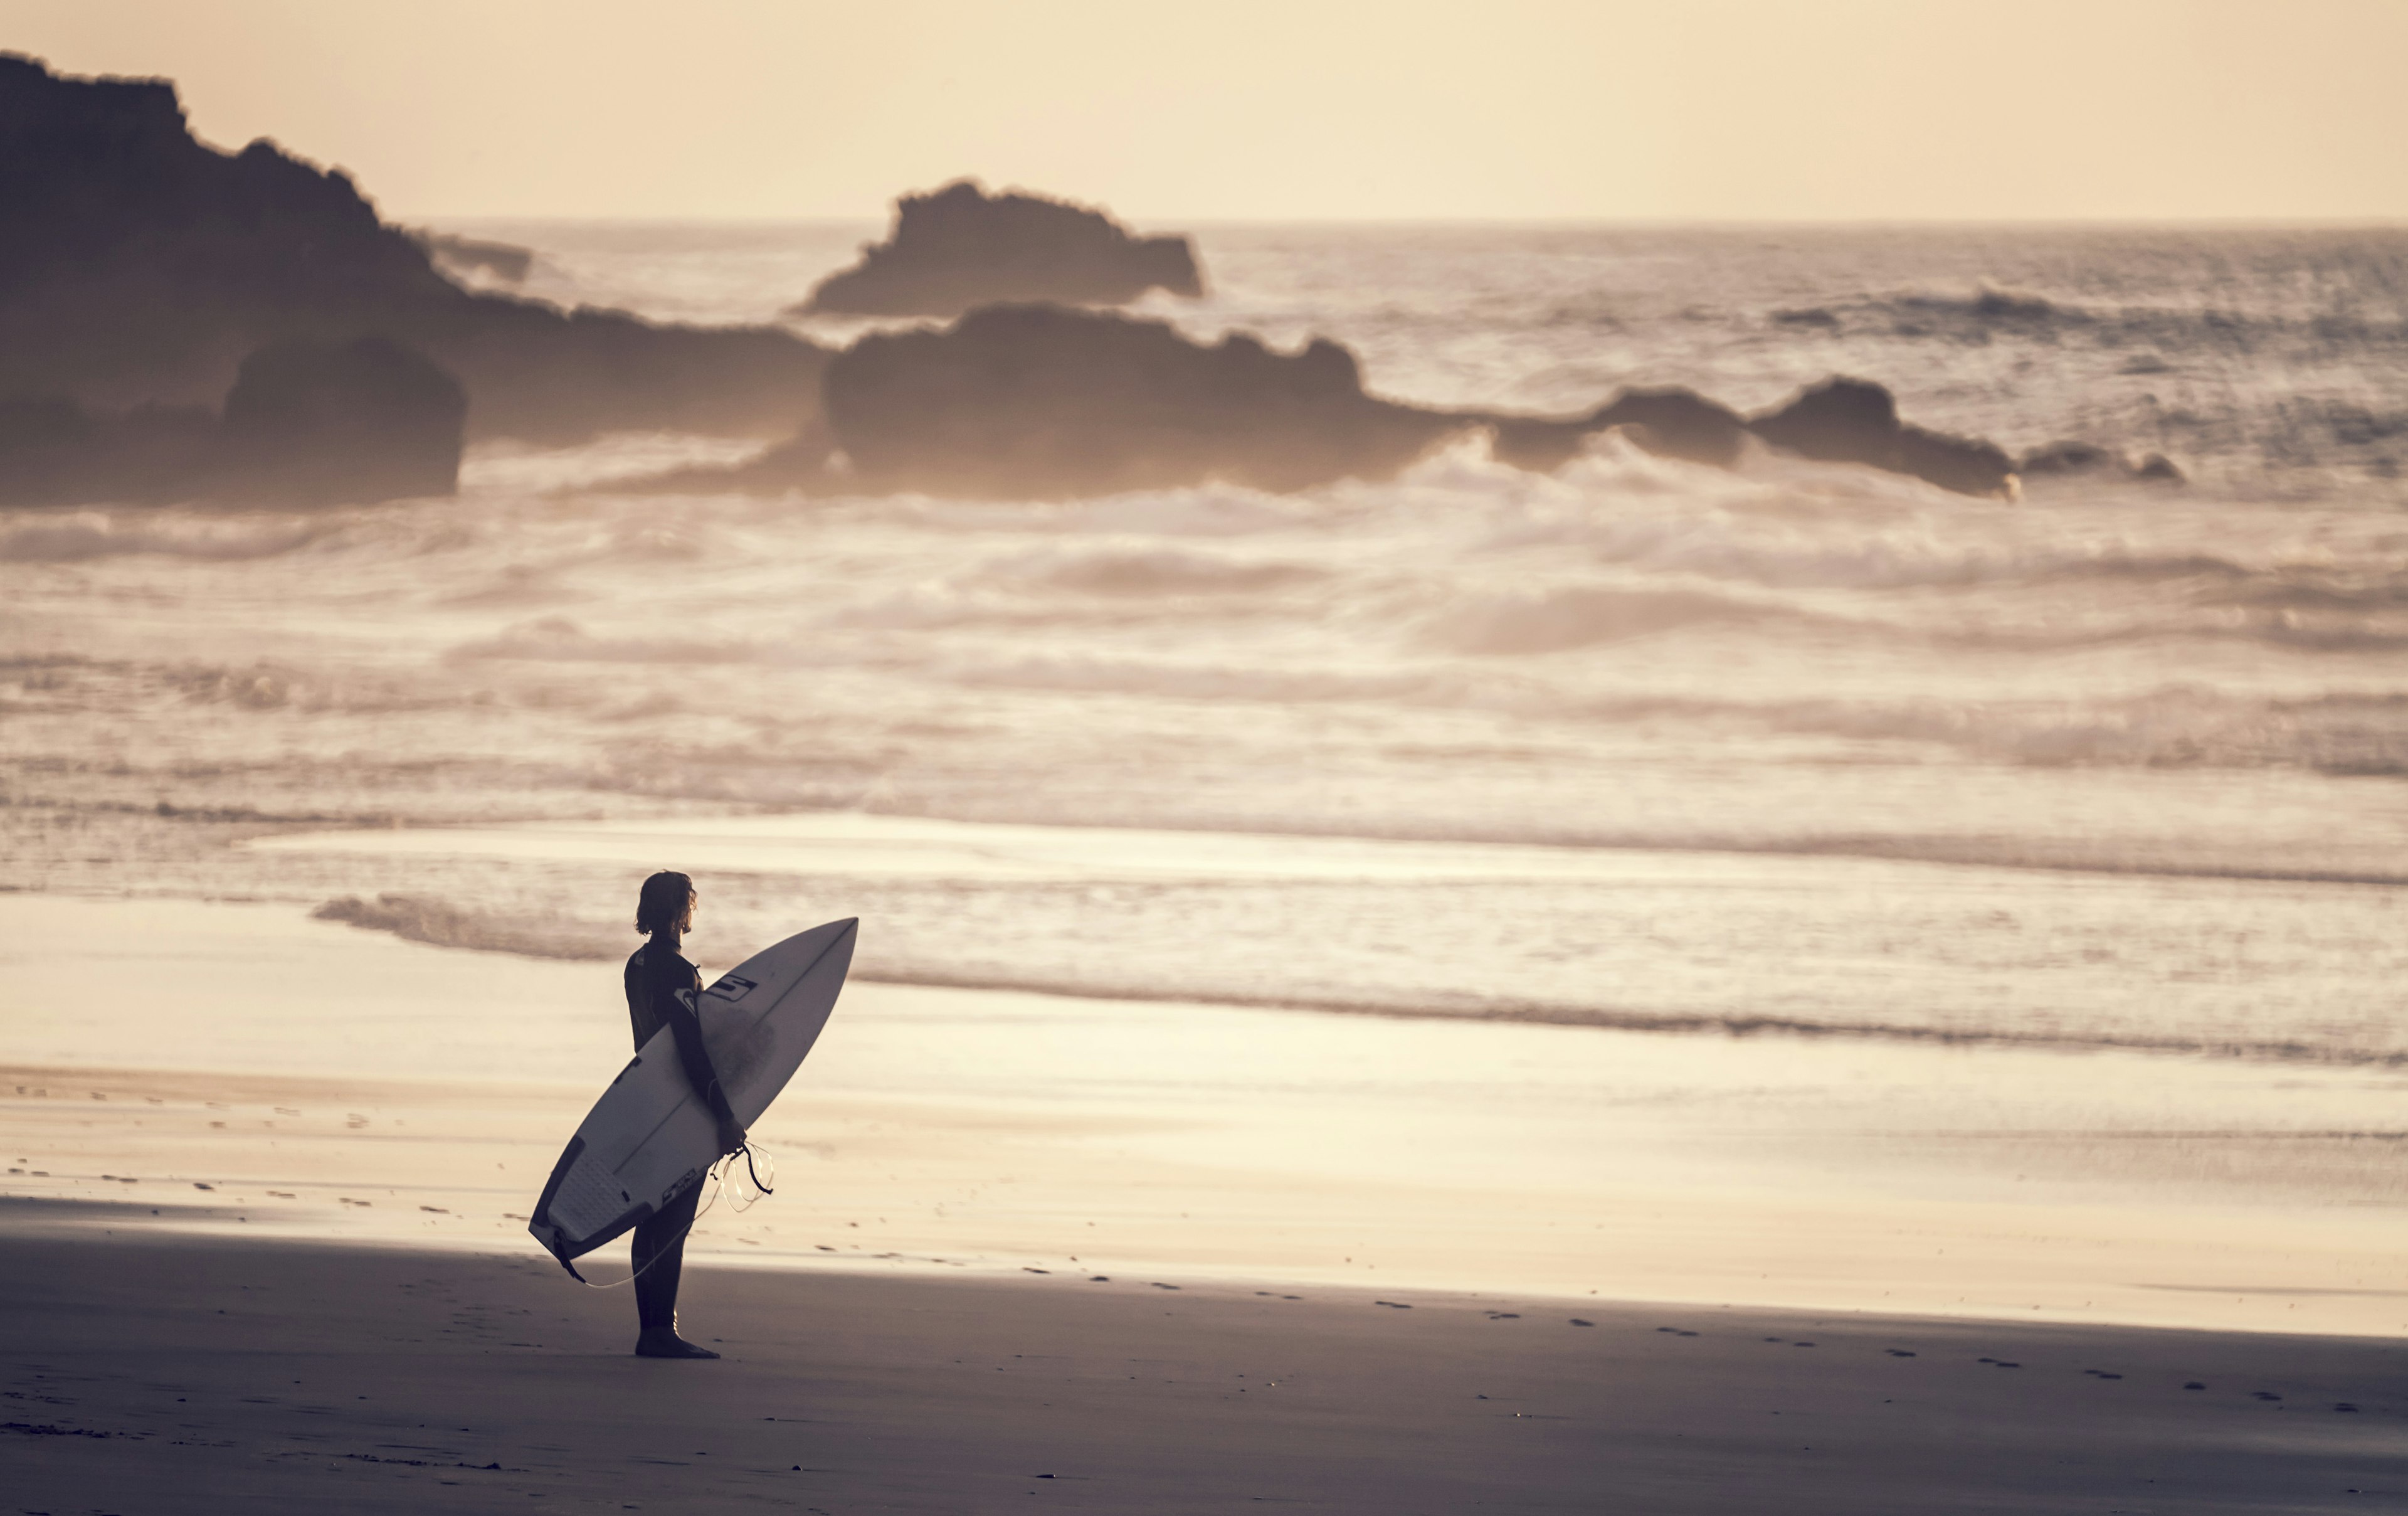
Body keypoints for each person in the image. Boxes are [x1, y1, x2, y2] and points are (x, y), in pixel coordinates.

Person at [623, 870, 747, 1359]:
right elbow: (692, 1052)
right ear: (681, 910)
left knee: (652, 1217)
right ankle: (660, 1333)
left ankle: (650, 1328)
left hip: (644, 1101)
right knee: (674, 1221)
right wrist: (723, 1114)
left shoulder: (636, 965)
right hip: (682, 1106)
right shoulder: (677, 971)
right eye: (691, 904)